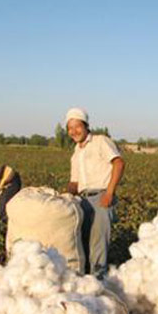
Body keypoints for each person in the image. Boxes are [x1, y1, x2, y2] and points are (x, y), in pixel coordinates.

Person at [65, 107, 125, 277]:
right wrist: (63, 198)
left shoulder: (100, 141)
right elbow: (74, 183)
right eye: (70, 128)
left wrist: (109, 193)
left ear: (86, 126)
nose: (74, 131)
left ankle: (99, 282)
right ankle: (86, 282)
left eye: (77, 126)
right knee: (82, 243)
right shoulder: (76, 153)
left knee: (98, 245)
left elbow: (119, 163)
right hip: (81, 200)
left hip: (100, 197)